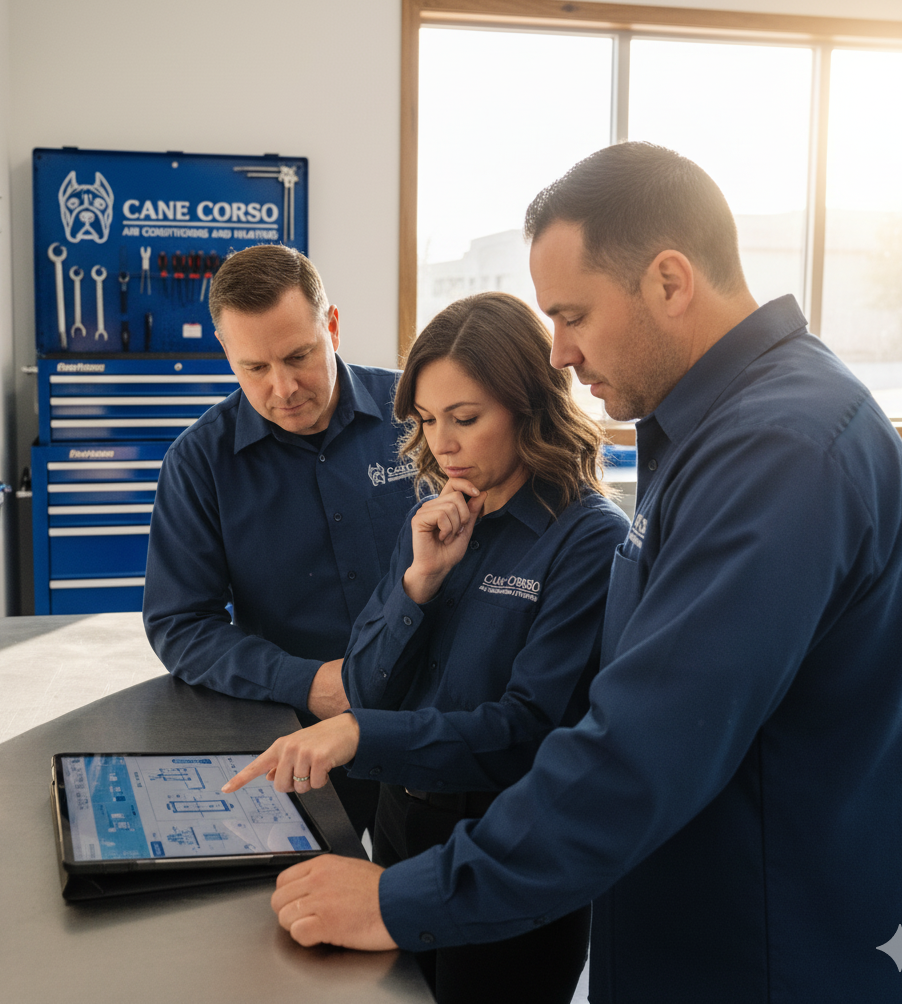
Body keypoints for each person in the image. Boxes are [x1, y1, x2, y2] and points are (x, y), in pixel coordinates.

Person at [261, 143, 902, 1003]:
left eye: (573, 315)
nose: (558, 352)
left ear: (668, 281)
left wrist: (406, 899)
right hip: (687, 922)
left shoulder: (779, 450)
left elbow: (640, 745)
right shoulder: (708, 435)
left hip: (777, 949)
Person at [223, 291, 630, 1003]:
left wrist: (356, 733)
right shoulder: (435, 516)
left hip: (501, 850)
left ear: (529, 405)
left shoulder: (588, 535)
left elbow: (525, 731)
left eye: (466, 419)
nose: (442, 444)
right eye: (428, 421)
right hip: (403, 826)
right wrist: (416, 585)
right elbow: (367, 681)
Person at [143, 244, 419, 837]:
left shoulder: (419, 416)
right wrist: (306, 683)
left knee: (425, 911)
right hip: (297, 739)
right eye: (255, 368)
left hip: (431, 722)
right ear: (226, 353)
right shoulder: (198, 464)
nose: (283, 388)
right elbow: (180, 623)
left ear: (333, 326)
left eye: (300, 355)